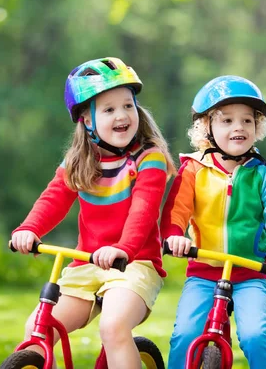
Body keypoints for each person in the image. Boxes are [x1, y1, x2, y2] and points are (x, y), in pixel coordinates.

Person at [11, 57, 175, 369]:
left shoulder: (148, 159)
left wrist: (122, 249)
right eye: (109, 109)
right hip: (86, 265)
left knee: (113, 327)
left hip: (134, 264)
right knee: (38, 327)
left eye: (128, 105)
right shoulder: (79, 162)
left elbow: (143, 210)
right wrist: (29, 228)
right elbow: (54, 198)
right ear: (87, 120)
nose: (122, 115)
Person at [160, 75, 266, 369]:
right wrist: (175, 234)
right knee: (185, 335)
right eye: (227, 121)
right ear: (207, 128)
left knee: (255, 336)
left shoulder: (263, 174)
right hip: (203, 271)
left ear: (257, 128)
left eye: (247, 121)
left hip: (250, 273)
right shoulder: (193, 170)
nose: (238, 127)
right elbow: (176, 210)